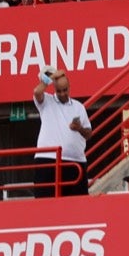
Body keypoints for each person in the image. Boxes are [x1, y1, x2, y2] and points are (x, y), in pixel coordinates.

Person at [31, 69, 91, 197]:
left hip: (75, 162)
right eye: (59, 91)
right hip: (49, 160)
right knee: (46, 205)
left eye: (65, 90)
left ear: (69, 88)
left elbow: (88, 133)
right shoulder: (46, 101)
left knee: (77, 209)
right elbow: (37, 91)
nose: (63, 93)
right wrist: (52, 77)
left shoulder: (79, 106)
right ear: (54, 89)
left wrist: (79, 128)